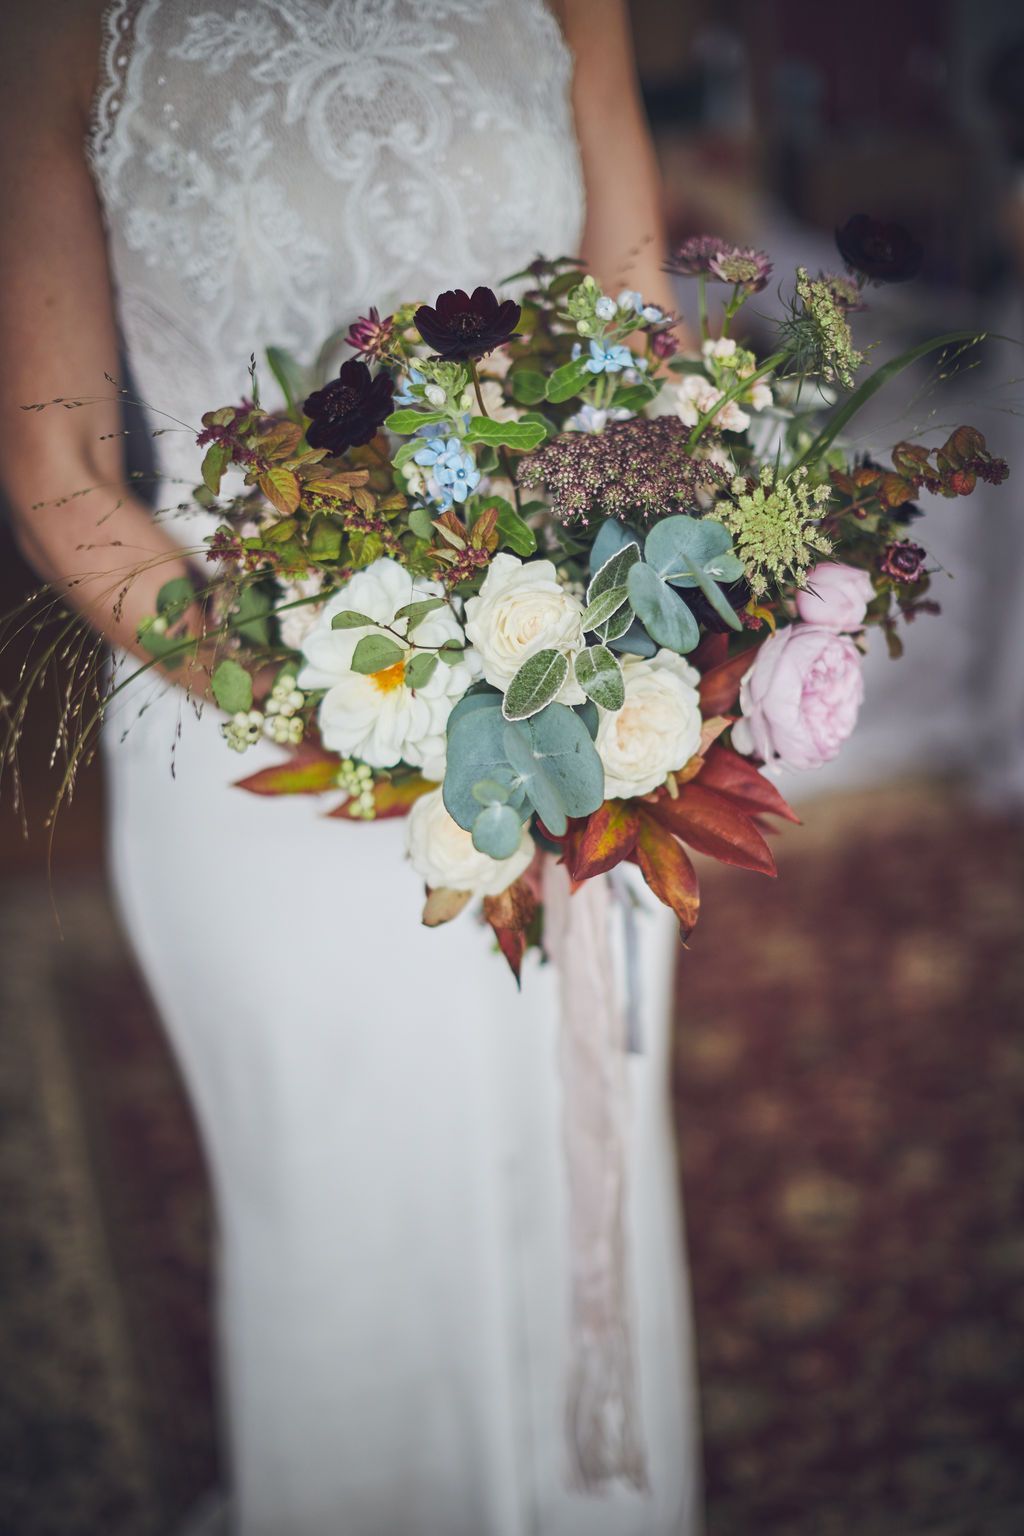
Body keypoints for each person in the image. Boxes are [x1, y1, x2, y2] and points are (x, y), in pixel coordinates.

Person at [0, 3, 701, 1532]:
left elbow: (635, 314)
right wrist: (353, 699)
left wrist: (631, 611)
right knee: (354, 1229)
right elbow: (59, 471)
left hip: (568, 691)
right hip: (258, 728)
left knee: (575, 1148)